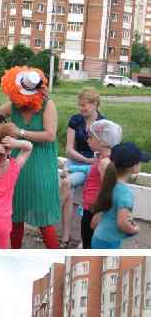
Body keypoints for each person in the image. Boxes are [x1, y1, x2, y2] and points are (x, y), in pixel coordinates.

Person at [0, 66, 60, 249]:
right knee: (15, 216)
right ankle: (14, 256)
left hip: (41, 165)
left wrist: (20, 132)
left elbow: (50, 135)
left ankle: (57, 258)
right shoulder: (14, 105)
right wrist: (2, 129)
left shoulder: (48, 105)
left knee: (44, 218)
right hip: (18, 163)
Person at [59, 89, 104, 247]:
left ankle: (53, 214)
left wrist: (90, 162)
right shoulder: (75, 120)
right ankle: (66, 235)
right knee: (68, 190)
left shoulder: (102, 123)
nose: (81, 108)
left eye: (84, 105)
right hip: (76, 160)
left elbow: (103, 150)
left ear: (94, 104)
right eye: (79, 105)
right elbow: (69, 150)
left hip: (90, 166)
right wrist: (86, 159)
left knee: (66, 183)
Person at [91, 142, 149, 249]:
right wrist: (135, 229)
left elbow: (95, 221)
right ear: (133, 166)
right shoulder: (125, 193)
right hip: (109, 242)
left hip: (98, 237)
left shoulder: (109, 184)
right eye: (140, 162)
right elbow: (122, 223)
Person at [80, 119, 122, 249]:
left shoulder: (105, 163)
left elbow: (108, 190)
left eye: (91, 137)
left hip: (95, 211)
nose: (87, 140)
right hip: (91, 207)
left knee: (89, 244)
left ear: (103, 142)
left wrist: (100, 214)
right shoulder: (102, 158)